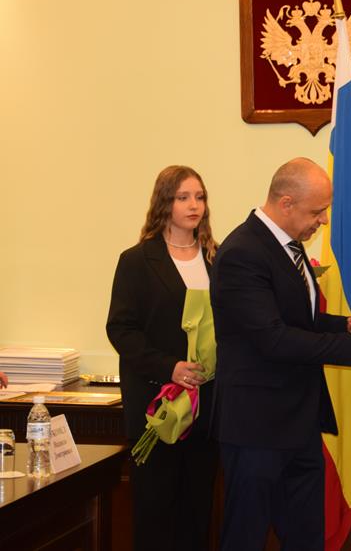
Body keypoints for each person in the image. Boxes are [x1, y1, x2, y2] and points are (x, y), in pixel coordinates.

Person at [210, 157, 351, 551]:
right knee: (246, 536)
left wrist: (347, 326)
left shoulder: (289, 245)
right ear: (286, 203)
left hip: (298, 422)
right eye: (317, 211)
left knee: (307, 536)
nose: (323, 220)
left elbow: (303, 320)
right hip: (256, 427)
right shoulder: (242, 252)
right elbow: (272, 338)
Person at [106, 165, 219, 551]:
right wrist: (169, 367)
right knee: (155, 516)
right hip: (157, 407)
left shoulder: (217, 258)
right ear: (164, 203)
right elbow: (121, 329)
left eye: (199, 197)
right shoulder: (137, 260)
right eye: (183, 197)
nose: (194, 205)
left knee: (197, 515)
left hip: (207, 410)